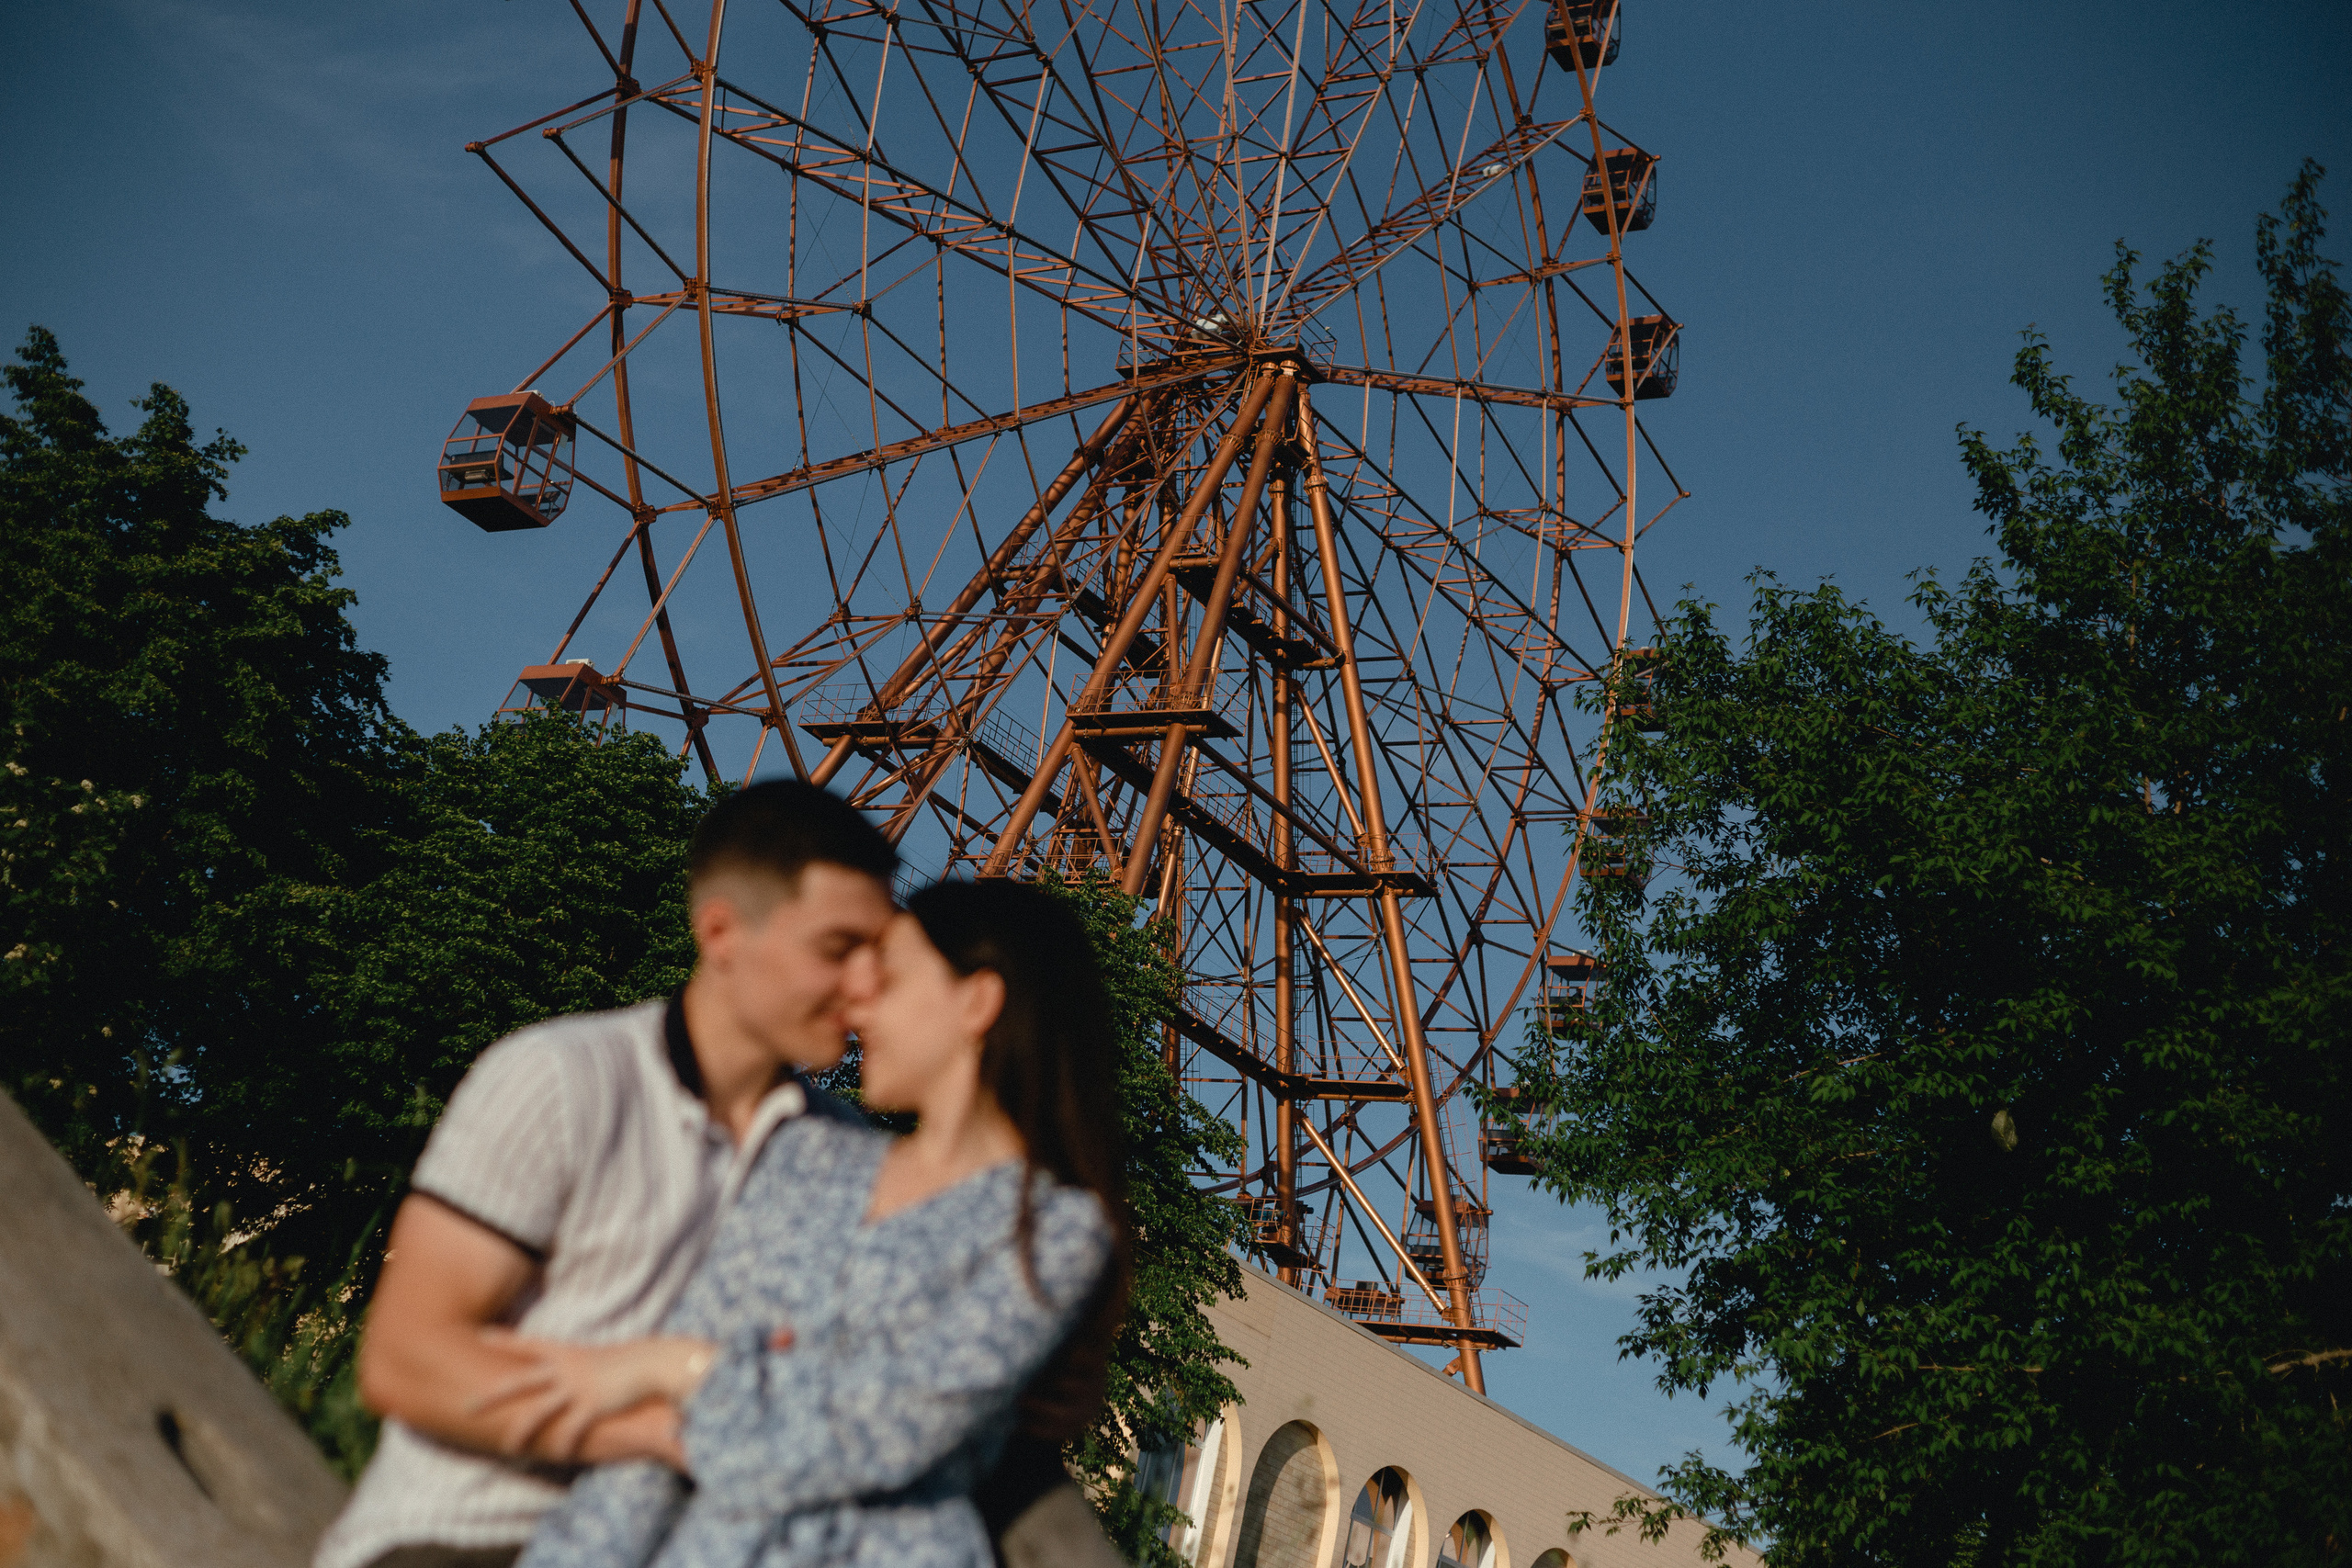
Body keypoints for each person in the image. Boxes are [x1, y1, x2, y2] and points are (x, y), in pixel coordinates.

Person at [313, 780, 901, 1568]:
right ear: (721, 932)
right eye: (837, 949)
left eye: (881, 953)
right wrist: (654, 1434)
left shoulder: (848, 1154)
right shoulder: (561, 1080)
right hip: (471, 1534)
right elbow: (406, 1359)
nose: (867, 984)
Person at [494, 879, 1132, 1568]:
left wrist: (673, 1367)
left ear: (977, 1001)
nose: (857, 998)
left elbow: (877, 1431)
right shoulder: (803, 1156)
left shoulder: (1056, 1232)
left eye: (887, 976)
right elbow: (651, 1449)